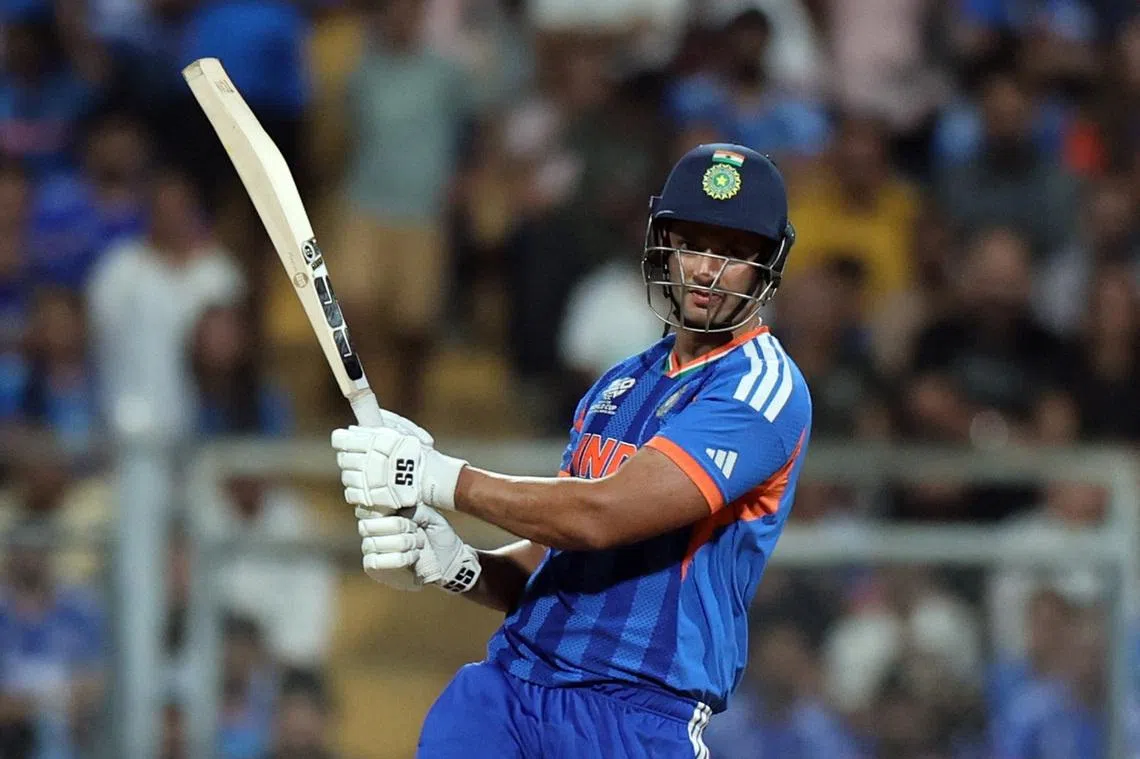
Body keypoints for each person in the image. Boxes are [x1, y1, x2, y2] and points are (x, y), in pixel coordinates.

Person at [331, 143, 812, 758]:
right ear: (663, 243)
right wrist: (455, 562)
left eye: (733, 253)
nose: (706, 271)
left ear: (767, 264)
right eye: (692, 243)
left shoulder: (762, 388)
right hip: (510, 687)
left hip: (638, 712)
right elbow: (556, 560)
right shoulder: (619, 384)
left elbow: (599, 515)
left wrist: (431, 476)